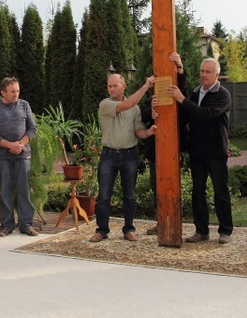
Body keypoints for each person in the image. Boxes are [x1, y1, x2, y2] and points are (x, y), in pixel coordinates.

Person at [166, 57, 233, 244]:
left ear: (217, 74)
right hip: (197, 150)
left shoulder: (223, 94)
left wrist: (181, 99)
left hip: (216, 151)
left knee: (220, 192)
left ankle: (225, 230)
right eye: (202, 71)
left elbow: (205, 115)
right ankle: (201, 231)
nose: (204, 75)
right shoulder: (196, 93)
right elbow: (187, 114)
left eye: (208, 72)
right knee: (198, 192)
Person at [90, 74, 156, 243]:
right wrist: (145, 86)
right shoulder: (105, 104)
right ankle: (102, 230)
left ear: (124, 86)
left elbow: (138, 131)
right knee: (104, 196)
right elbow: (127, 104)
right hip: (108, 156)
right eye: (109, 86)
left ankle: (129, 229)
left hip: (129, 155)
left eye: (115, 86)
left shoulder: (135, 109)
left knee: (130, 195)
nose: (112, 89)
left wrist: (148, 133)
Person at [0, 77, 38, 237]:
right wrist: (9, 145)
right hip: (2, 157)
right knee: (5, 190)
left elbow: (33, 128)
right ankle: (6, 225)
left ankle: (27, 224)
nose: (16, 94)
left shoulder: (24, 105)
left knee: (24, 190)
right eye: (12, 91)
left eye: (18, 91)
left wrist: (20, 144)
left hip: (23, 156)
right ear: (3, 92)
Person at [141, 53, 185, 236]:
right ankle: (160, 223)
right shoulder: (153, 99)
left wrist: (180, 68)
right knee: (155, 187)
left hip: (172, 149)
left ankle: (174, 223)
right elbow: (142, 115)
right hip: (155, 151)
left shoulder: (175, 93)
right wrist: (150, 112)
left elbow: (183, 92)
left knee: (172, 186)